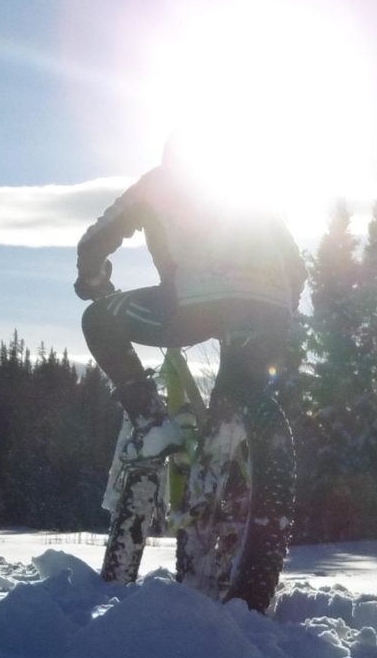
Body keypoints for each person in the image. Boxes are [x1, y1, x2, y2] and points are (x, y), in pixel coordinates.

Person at [74, 142, 304, 438]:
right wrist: (282, 306)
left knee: (98, 321)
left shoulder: (158, 181)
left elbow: (94, 241)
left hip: (195, 304)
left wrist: (92, 276)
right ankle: (224, 462)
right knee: (230, 407)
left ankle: (151, 427)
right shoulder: (249, 189)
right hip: (271, 309)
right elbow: (296, 267)